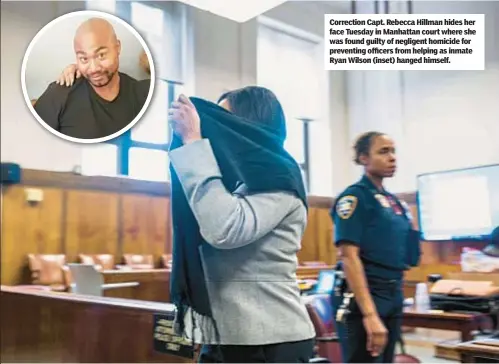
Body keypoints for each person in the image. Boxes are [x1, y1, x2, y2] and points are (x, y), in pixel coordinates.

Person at [167, 87, 316, 363]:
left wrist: (192, 142)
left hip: (271, 342)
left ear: (249, 127)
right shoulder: (242, 183)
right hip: (228, 338)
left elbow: (224, 229)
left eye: (225, 120)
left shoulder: (281, 181)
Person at [330, 131, 420, 363]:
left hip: (393, 291)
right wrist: (370, 314)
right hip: (364, 294)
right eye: (383, 151)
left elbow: (410, 256)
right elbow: (349, 257)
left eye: (393, 151)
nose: (392, 158)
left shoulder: (395, 203)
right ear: (363, 158)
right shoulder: (355, 198)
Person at [33, 17, 150, 139]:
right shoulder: (59, 94)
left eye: (101, 55)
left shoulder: (143, 93)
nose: (93, 68)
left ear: (117, 47)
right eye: (84, 59)